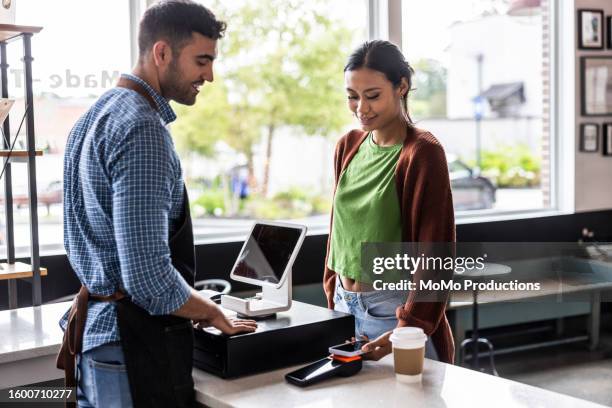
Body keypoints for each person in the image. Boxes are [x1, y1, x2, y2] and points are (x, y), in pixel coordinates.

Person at [57, 1, 256, 407]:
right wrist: (212, 313)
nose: (210, 75)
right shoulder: (143, 130)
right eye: (202, 60)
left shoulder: (94, 115)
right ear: (161, 52)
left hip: (97, 343)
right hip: (130, 348)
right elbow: (146, 278)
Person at [323, 40, 456, 364]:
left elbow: (436, 249)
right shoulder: (348, 146)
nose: (361, 108)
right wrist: (332, 288)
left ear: (402, 87)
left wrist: (409, 326)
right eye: (352, 97)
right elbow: (340, 227)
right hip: (344, 304)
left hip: (392, 311)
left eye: (372, 96)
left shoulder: (422, 152)